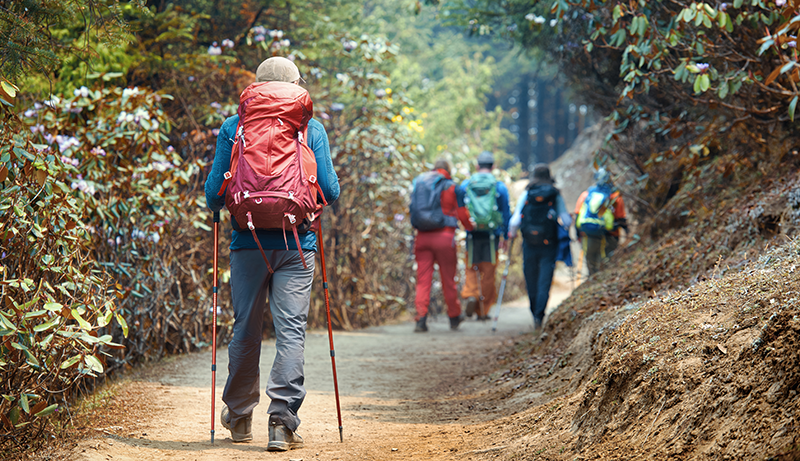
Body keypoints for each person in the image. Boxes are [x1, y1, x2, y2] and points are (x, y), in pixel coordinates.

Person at [204, 57, 340, 451]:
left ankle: (240, 416)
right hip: (297, 246)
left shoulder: (234, 126)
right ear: (297, 87)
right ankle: (281, 422)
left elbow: (215, 193)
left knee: (245, 328)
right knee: (291, 331)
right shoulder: (310, 127)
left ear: (257, 87)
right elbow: (329, 191)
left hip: (247, 244)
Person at [508, 164, 571, 330]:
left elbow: (515, 220)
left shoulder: (528, 192)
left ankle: (533, 309)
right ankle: (539, 315)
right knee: (545, 279)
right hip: (549, 243)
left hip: (529, 243)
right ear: (549, 176)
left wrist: (512, 234)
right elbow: (565, 220)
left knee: (531, 278)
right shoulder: (554, 194)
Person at [409, 159, 466, 332]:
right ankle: (454, 317)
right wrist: (471, 227)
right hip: (444, 237)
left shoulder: (422, 184)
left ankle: (421, 319)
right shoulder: (451, 186)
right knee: (448, 279)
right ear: (448, 169)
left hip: (422, 238)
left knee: (423, 280)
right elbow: (463, 214)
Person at [457, 151, 511, 321]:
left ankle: (471, 293)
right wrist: (506, 236)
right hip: (492, 236)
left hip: (472, 234)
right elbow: (505, 213)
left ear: (477, 166)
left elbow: (459, 207)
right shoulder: (499, 186)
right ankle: (483, 310)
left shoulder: (466, 184)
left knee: (471, 267)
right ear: (493, 167)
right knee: (488, 272)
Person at [574, 167, 626, 275]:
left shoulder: (586, 194)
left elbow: (578, 214)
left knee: (591, 258)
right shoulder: (615, 196)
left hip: (589, 234)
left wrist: (578, 234)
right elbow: (621, 217)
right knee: (607, 261)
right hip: (610, 235)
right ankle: (606, 279)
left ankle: (592, 279)